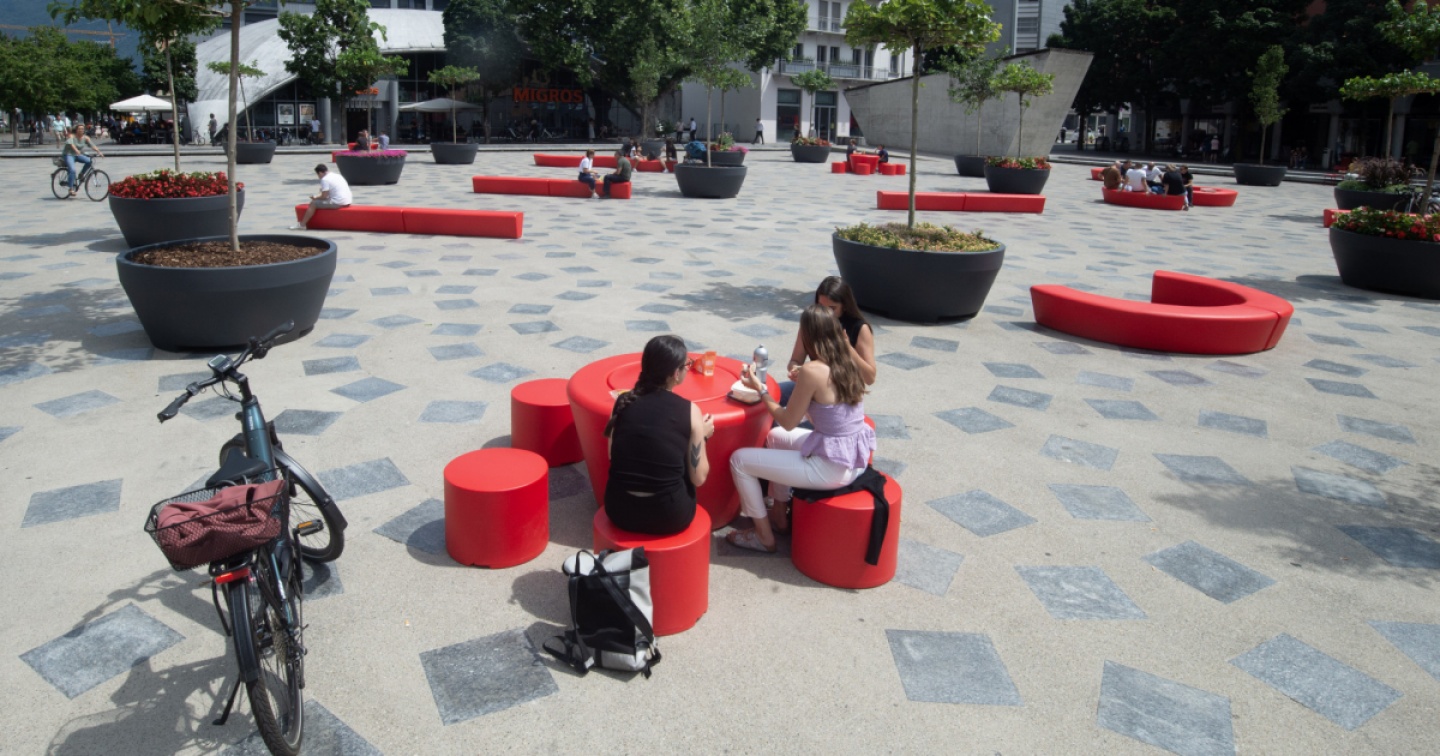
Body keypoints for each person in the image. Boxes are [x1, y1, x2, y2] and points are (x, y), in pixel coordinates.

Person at [727, 305, 877, 552]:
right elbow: (828, 411)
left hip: (831, 468)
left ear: (808, 335)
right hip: (852, 459)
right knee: (774, 437)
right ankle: (779, 514)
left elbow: (788, 421)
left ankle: (763, 537)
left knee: (739, 461)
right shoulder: (847, 360)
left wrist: (761, 389)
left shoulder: (812, 370)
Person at [603, 335, 714, 535]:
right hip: (668, 516)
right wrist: (702, 437)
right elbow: (699, 478)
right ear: (675, 373)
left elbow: (612, 456)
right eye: (686, 365)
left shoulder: (622, 402)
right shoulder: (689, 411)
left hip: (619, 509)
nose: (687, 369)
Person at [779, 276, 877, 404]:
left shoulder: (859, 328)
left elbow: (870, 378)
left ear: (845, 306)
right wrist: (796, 370)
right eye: (821, 306)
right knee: (768, 394)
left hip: (842, 395)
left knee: (785, 413)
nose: (825, 313)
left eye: (832, 308)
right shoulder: (811, 322)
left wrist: (848, 348)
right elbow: (795, 360)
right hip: (814, 385)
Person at [293, 164, 353, 230]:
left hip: (338, 202)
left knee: (313, 203)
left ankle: (302, 224)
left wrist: (315, 197)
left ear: (320, 173)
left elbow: (324, 196)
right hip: (347, 200)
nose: (319, 177)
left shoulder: (325, 179)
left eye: (318, 175)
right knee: (320, 198)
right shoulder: (337, 175)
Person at [59, 125, 104, 197]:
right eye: (79, 129)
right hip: (69, 154)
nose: (81, 130)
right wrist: (76, 150)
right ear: (76, 130)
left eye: (82, 129)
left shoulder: (85, 138)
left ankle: (81, 174)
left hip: (78, 154)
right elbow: (72, 145)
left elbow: (92, 145)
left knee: (89, 161)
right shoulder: (71, 136)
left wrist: (99, 152)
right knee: (72, 170)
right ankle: (71, 189)